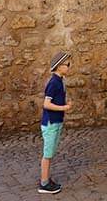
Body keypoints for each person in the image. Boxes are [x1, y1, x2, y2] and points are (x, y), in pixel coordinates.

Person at [38, 51, 73, 194]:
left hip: (56, 121)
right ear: (59, 66)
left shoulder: (60, 81)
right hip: (51, 123)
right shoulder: (53, 82)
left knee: (50, 152)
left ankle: (46, 179)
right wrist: (64, 107)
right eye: (67, 64)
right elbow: (46, 104)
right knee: (47, 154)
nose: (69, 67)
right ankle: (44, 183)